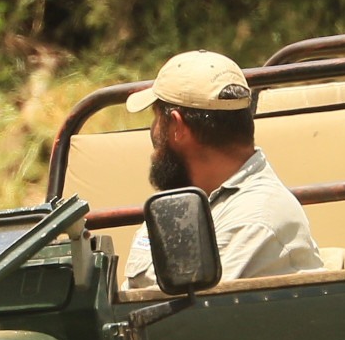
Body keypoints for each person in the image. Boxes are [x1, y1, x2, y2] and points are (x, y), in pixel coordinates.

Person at [121, 50, 321, 289]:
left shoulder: (253, 220)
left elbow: (188, 310)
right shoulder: (191, 200)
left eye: (156, 118)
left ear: (176, 125)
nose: (153, 130)